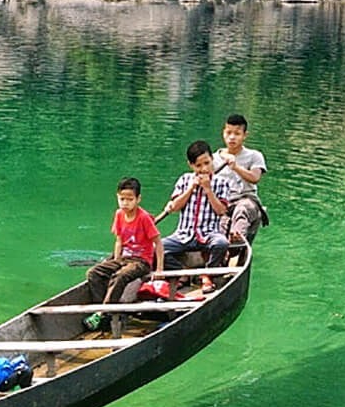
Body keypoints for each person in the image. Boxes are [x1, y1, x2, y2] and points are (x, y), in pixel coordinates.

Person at [83, 176, 163, 338]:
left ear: (138, 199)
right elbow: (119, 241)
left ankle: (102, 312)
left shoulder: (144, 218)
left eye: (130, 199)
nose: (125, 203)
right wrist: (115, 261)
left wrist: (159, 268)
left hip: (142, 261)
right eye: (122, 199)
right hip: (125, 258)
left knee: (121, 276)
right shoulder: (119, 215)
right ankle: (106, 308)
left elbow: (158, 243)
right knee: (94, 273)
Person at [160, 139, 238, 290]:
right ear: (191, 165)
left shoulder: (221, 183)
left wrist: (208, 189)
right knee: (156, 248)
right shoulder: (184, 180)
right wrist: (190, 189)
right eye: (198, 165)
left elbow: (221, 211)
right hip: (183, 235)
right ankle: (182, 272)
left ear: (212, 160)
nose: (204, 169)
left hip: (208, 234)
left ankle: (207, 274)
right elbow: (175, 207)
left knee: (221, 243)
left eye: (207, 163)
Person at [212, 113, 268, 242]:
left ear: (244, 135)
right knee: (220, 222)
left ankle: (236, 241)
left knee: (241, 210)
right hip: (223, 203)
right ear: (223, 133)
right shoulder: (213, 159)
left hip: (246, 200)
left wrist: (235, 166)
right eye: (228, 132)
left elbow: (255, 178)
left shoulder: (254, 156)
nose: (232, 137)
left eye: (237, 134)